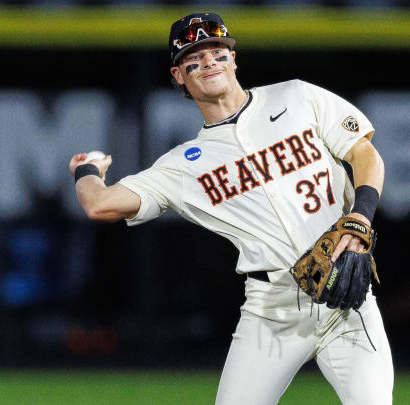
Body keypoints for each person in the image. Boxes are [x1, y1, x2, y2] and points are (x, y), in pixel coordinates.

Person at [69, 12, 393, 405]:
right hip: (271, 312)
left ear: (234, 59)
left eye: (217, 51)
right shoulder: (183, 165)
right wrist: (86, 169)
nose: (208, 61)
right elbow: (99, 204)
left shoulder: (296, 96)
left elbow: (364, 153)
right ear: (178, 76)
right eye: (194, 56)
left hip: (347, 301)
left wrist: (360, 216)